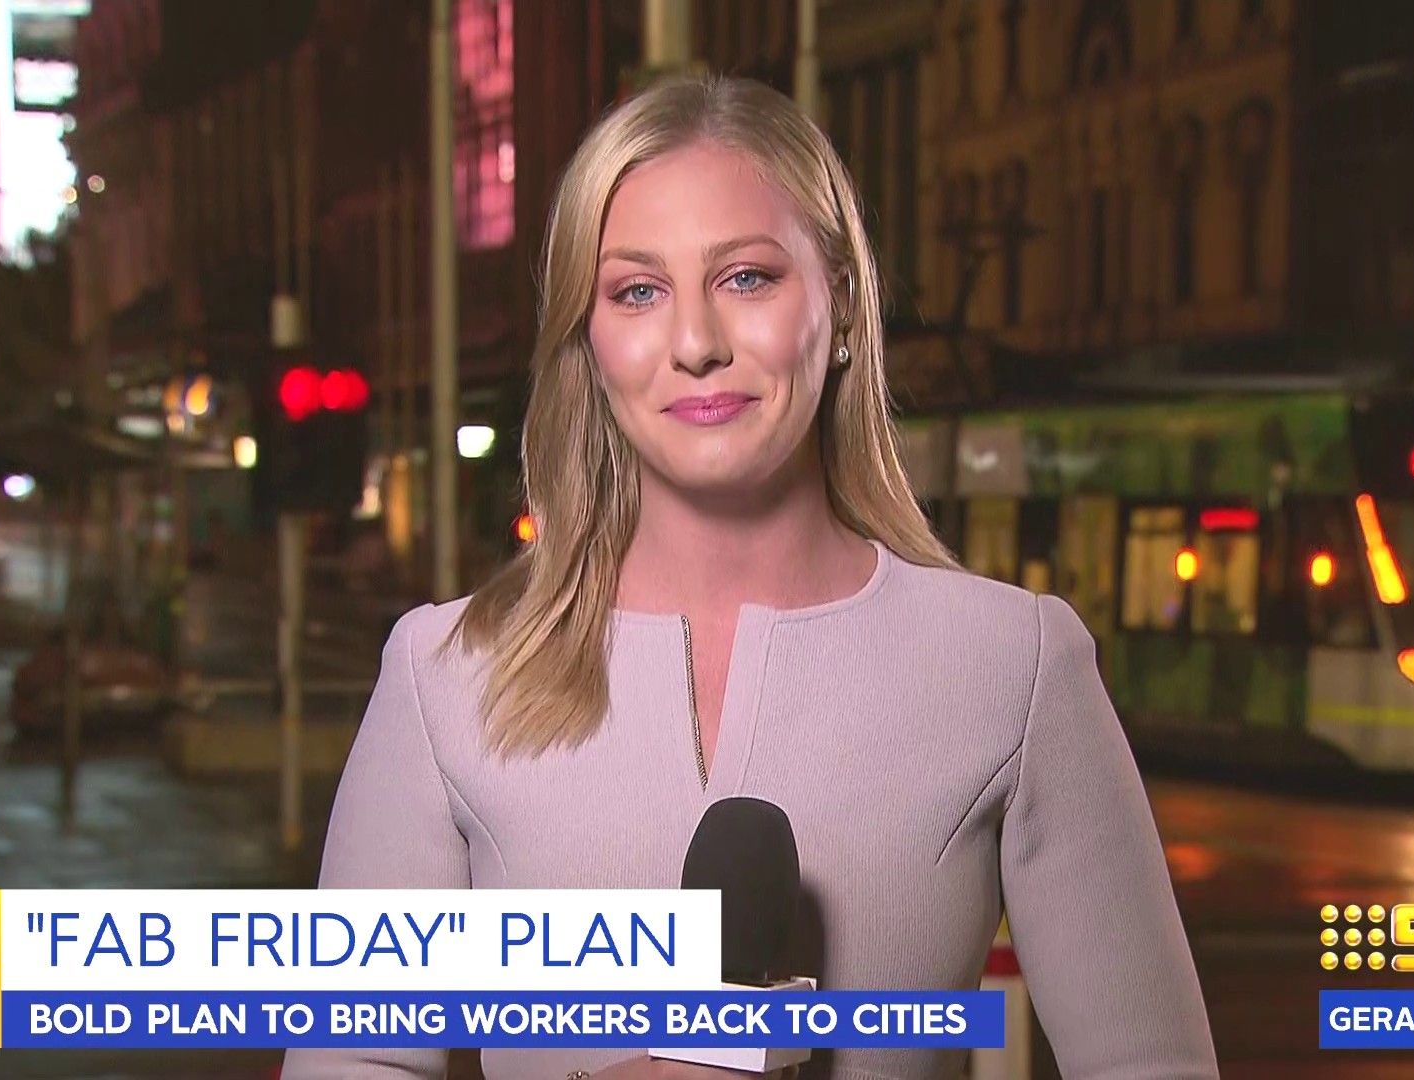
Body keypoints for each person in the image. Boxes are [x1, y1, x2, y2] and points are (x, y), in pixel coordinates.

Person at [283, 74, 1217, 1080]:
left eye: (747, 278)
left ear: (842, 307)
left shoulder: (1015, 666)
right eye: (637, 291)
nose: (696, 344)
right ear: (589, 341)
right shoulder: (443, 675)